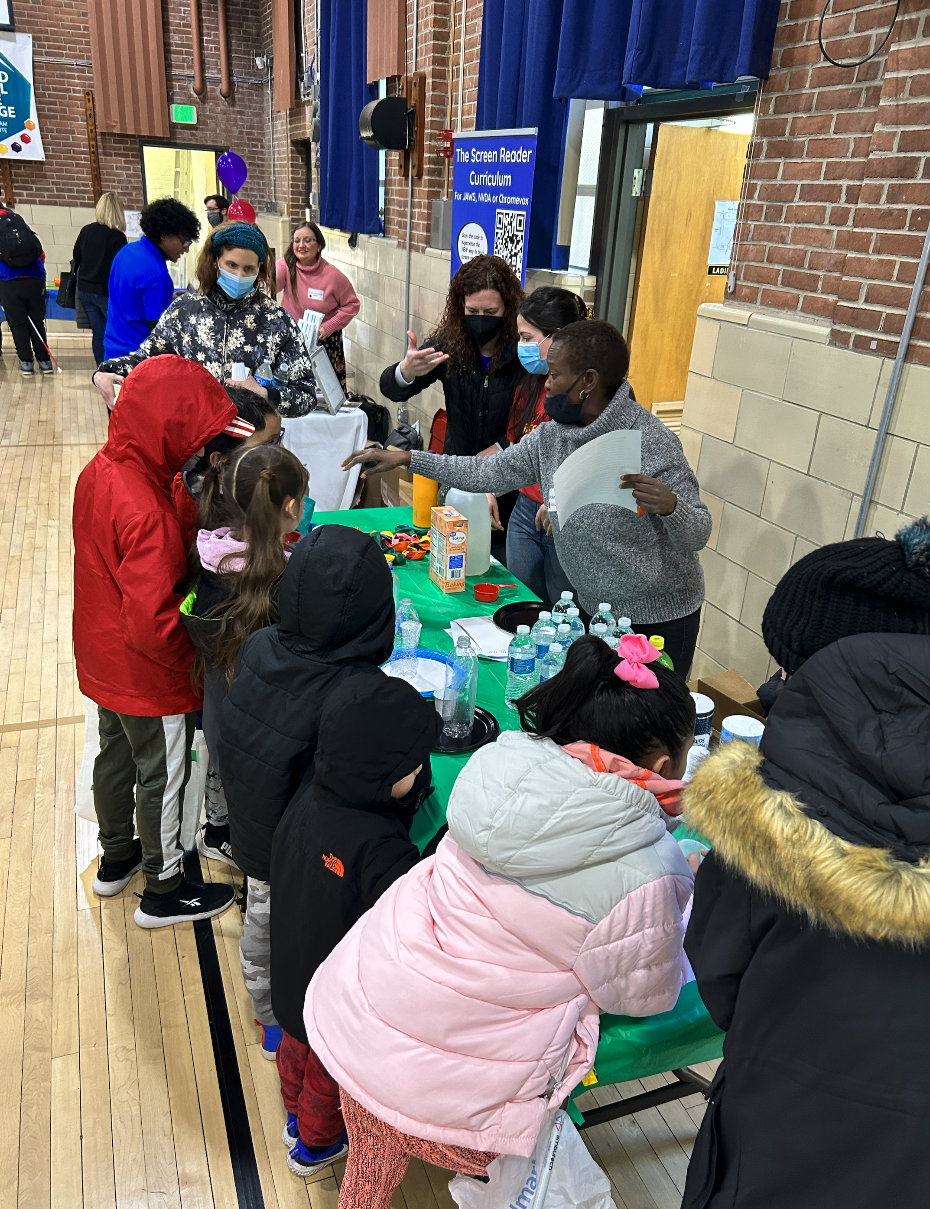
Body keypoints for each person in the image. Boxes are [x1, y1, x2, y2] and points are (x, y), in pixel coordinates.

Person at [304, 633, 696, 1208]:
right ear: (664, 767)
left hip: (362, 1026)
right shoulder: (651, 870)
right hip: (463, 1109)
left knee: (373, 1153)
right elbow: (642, 996)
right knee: (529, 1165)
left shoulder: (493, 762)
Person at [680, 519, 930, 1209]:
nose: (777, 680)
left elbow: (719, 970)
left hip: (791, 1139)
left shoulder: (776, 804)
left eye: (791, 665)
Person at [346, 320, 710, 676]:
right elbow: (486, 473)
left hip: (658, 620)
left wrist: (671, 507)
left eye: (554, 374)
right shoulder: (553, 436)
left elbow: (698, 532)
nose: (546, 384)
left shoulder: (651, 440)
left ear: (588, 382)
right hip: (594, 612)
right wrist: (409, 458)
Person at [72, 354, 241, 929]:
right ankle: (164, 886)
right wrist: (194, 660)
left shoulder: (104, 470)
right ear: (169, 430)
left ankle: (116, 856)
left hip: (102, 659)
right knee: (164, 774)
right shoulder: (148, 511)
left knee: (114, 759)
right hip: (147, 672)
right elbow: (151, 622)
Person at [217, 525, 396, 1055]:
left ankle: (267, 1007)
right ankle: (279, 1020)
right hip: (296, 844)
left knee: (261, 911)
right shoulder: (350, 691)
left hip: (252, 816)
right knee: (284, 927)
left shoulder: (262, 643)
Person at [271, 676, 440, 1177]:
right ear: (385, 774)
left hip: (292, 966)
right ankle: (315, 1147)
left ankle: (292, 1117)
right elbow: (410, 906)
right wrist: (438, 854)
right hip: (337, 996)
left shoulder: (306, 794)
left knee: (294, 1050)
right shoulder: (378, 845)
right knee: (329, 1076)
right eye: (414, 766)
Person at [181, 442, 308, 872]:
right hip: (262, 733)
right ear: (291, 506)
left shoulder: (211, 552)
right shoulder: (285, 577)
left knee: (227, 773)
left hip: (219, 715)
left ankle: (218, 830)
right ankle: (242, 845)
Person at [94, 221, 317, 417]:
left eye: (248, 268)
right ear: (215, 261)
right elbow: (147, 360)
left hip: (252, 451)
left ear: (259, 270)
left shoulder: (275, 320)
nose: (239, 276)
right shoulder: (184, 312)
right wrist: (104, 372)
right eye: (231, 265)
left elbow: (306, 395)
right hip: (193, 445)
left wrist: (267, 394)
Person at [503, 285, 588, 601]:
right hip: (525, 512)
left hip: (566, 519)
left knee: (563, 617)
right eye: (519, 337)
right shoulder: (529, 385)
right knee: (521, 608)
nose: (521, 346)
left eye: (528, 338)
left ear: (559, 337)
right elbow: (515, 449)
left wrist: (558, 502)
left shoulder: (589, 394)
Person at [172, 385, 281, 547]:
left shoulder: (187, 484)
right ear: (219, 462)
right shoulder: (227, 526)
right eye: (267, 446)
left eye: (277, 441)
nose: (279, 454)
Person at [102, 197, 200, 360]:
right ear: (164, 235)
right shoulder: (157, 275)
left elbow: (132, 300)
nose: (186, 249)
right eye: (184, 241)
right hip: (137, 360)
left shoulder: (126, 251)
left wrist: (167, 299)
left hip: (113, 353)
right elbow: (161, 337)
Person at [276, 221, 359, 392]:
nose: (301, 245)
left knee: (326, 393)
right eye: (297, 240)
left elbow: (352, 304)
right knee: (293, 391)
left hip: (324, 342)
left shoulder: (333, 276)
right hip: (293, 339)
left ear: (319, 245)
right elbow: (271, 286)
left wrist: (328, 327)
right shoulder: (285, 266)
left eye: (307, 240)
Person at [72, 191, 128, 365]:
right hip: (105, 292)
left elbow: (76, 256)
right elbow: (121, 269)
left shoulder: (86, 230)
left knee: (98, 332)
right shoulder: (118, 237)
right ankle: (118, 369)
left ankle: (102, 370)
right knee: (117, 331)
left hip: (85, 290)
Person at [0, 200, 51, 375]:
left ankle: (26, 363)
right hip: (35, 276)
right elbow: (40, 252)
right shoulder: (18, 219)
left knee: (18, 323)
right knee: (37, 321)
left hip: (8, 279)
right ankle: (45, 362)